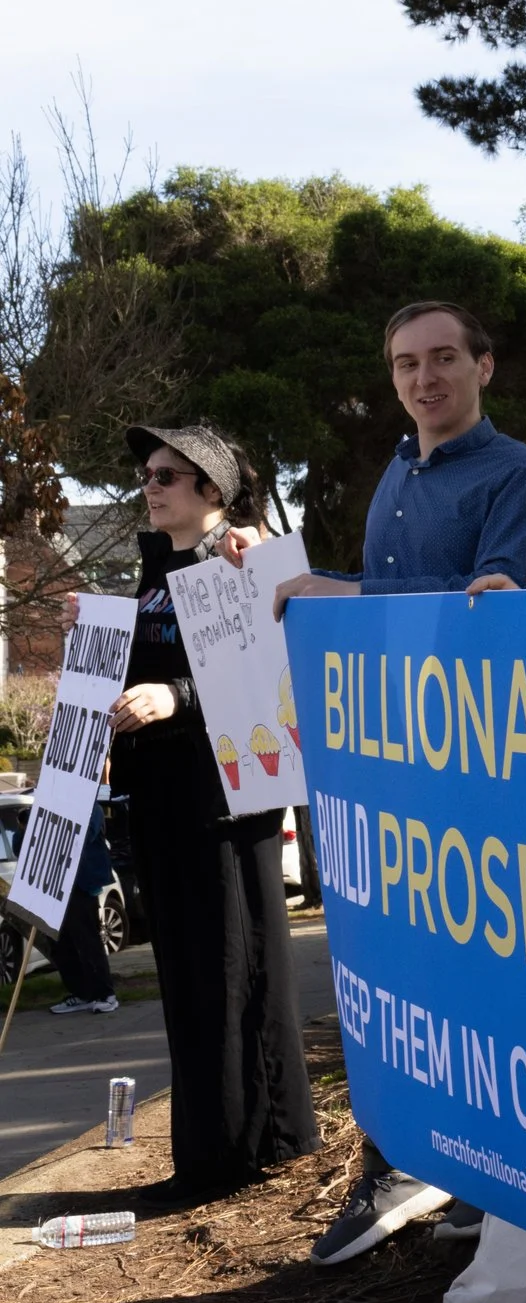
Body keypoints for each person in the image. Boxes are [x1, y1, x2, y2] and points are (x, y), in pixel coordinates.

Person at [281, 300, 526, 1265]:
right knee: (414, 980)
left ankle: (494, 1185)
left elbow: (497, 610)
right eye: (406, 363)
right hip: (397, 771)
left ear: (484, 366)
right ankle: (420, 1162)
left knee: (488, 983)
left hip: (484, 775)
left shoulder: (520, 475)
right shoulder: (396, 473)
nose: (424, 378)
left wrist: (347, 593)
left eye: (444, 358)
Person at [107, 423, 319, 1204]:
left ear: (213, 492)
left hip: (228, 803)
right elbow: (145, 673)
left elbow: (264, 680)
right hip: (162, 801)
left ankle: (253, 1149)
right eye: (149, 474)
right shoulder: (151, 572)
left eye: (168, 474)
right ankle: (205, 1154)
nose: (150, 485)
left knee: (237, 970)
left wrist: (175, 699)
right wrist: (99, 648)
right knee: (190, 981)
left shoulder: (242, 562)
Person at [47, 793, 119, 1015]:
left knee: (87, 939)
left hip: (81, 883)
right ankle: (81, 992)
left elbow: (80, 837)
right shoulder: (54, 805)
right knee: (60, 941)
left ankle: (105, 993)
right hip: (56, 883)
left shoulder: (90, 808)